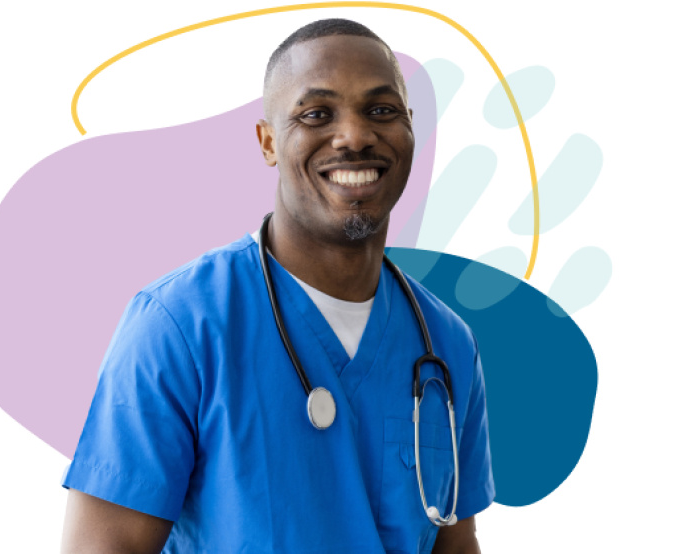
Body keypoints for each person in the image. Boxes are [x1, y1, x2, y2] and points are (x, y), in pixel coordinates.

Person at [58, 17, 494, 554]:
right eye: (316, 114)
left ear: (410, 130)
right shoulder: (177, 326)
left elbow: (456, 543)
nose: (355, 136)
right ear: (267, 142)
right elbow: (103, 546)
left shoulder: (447, 345)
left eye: (381, 110)